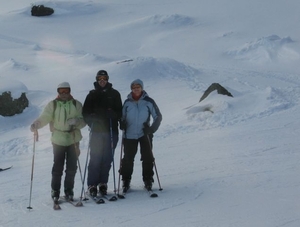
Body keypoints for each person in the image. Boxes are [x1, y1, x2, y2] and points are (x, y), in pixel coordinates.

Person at [30, 82, 86, 201]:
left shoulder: (77, 104)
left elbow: (83, 121)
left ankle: (69, 190)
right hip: (58, 139)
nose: (64, 93)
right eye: (61, 91)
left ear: (70, 91)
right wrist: (36, 124)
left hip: (73, 139)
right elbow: (45, 117)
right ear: (58, 92)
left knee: (72, 167)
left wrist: (76, 121)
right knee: (57, 167)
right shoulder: (53, 105)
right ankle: (55, 191)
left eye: (66, 91)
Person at [82, 70, 122, 197]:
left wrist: (114, 115)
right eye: (100, 78)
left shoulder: (114, 94)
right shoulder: (92, 95)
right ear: (97, 80)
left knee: (107, 158)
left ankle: (103, 183)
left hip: (111, 130)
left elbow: (120, 112)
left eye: (104, 78)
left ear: (108, 79)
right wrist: (91, 119)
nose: (102, 80)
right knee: (95, 158)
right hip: (97, 132)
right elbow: (85, 113)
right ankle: (92, 185)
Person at [119, 79, 162, 191]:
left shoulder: (149, 101)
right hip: (129, 134)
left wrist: (151, 129)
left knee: (147, 157)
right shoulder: (127, 102)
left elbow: (158, 116)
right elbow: (122, 117)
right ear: (131, 89)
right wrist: (122, 123)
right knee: (128, 159)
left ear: (142, 88)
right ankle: (126, 180)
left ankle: (148, 180)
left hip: (145, 134)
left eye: (138, 86)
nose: (136, 89)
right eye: (134, 87)